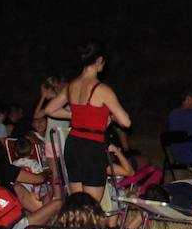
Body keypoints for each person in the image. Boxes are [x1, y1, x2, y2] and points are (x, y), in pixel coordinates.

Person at [41, 40, 132, 203]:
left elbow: (50, 109)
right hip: (92, 147)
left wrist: (77, 116)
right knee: (91, 206)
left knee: (77, 203)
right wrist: (108, 117)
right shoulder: (102, 90)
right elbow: (126, 122)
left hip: (72, 145)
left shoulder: (71, 86)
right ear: (99, 60)